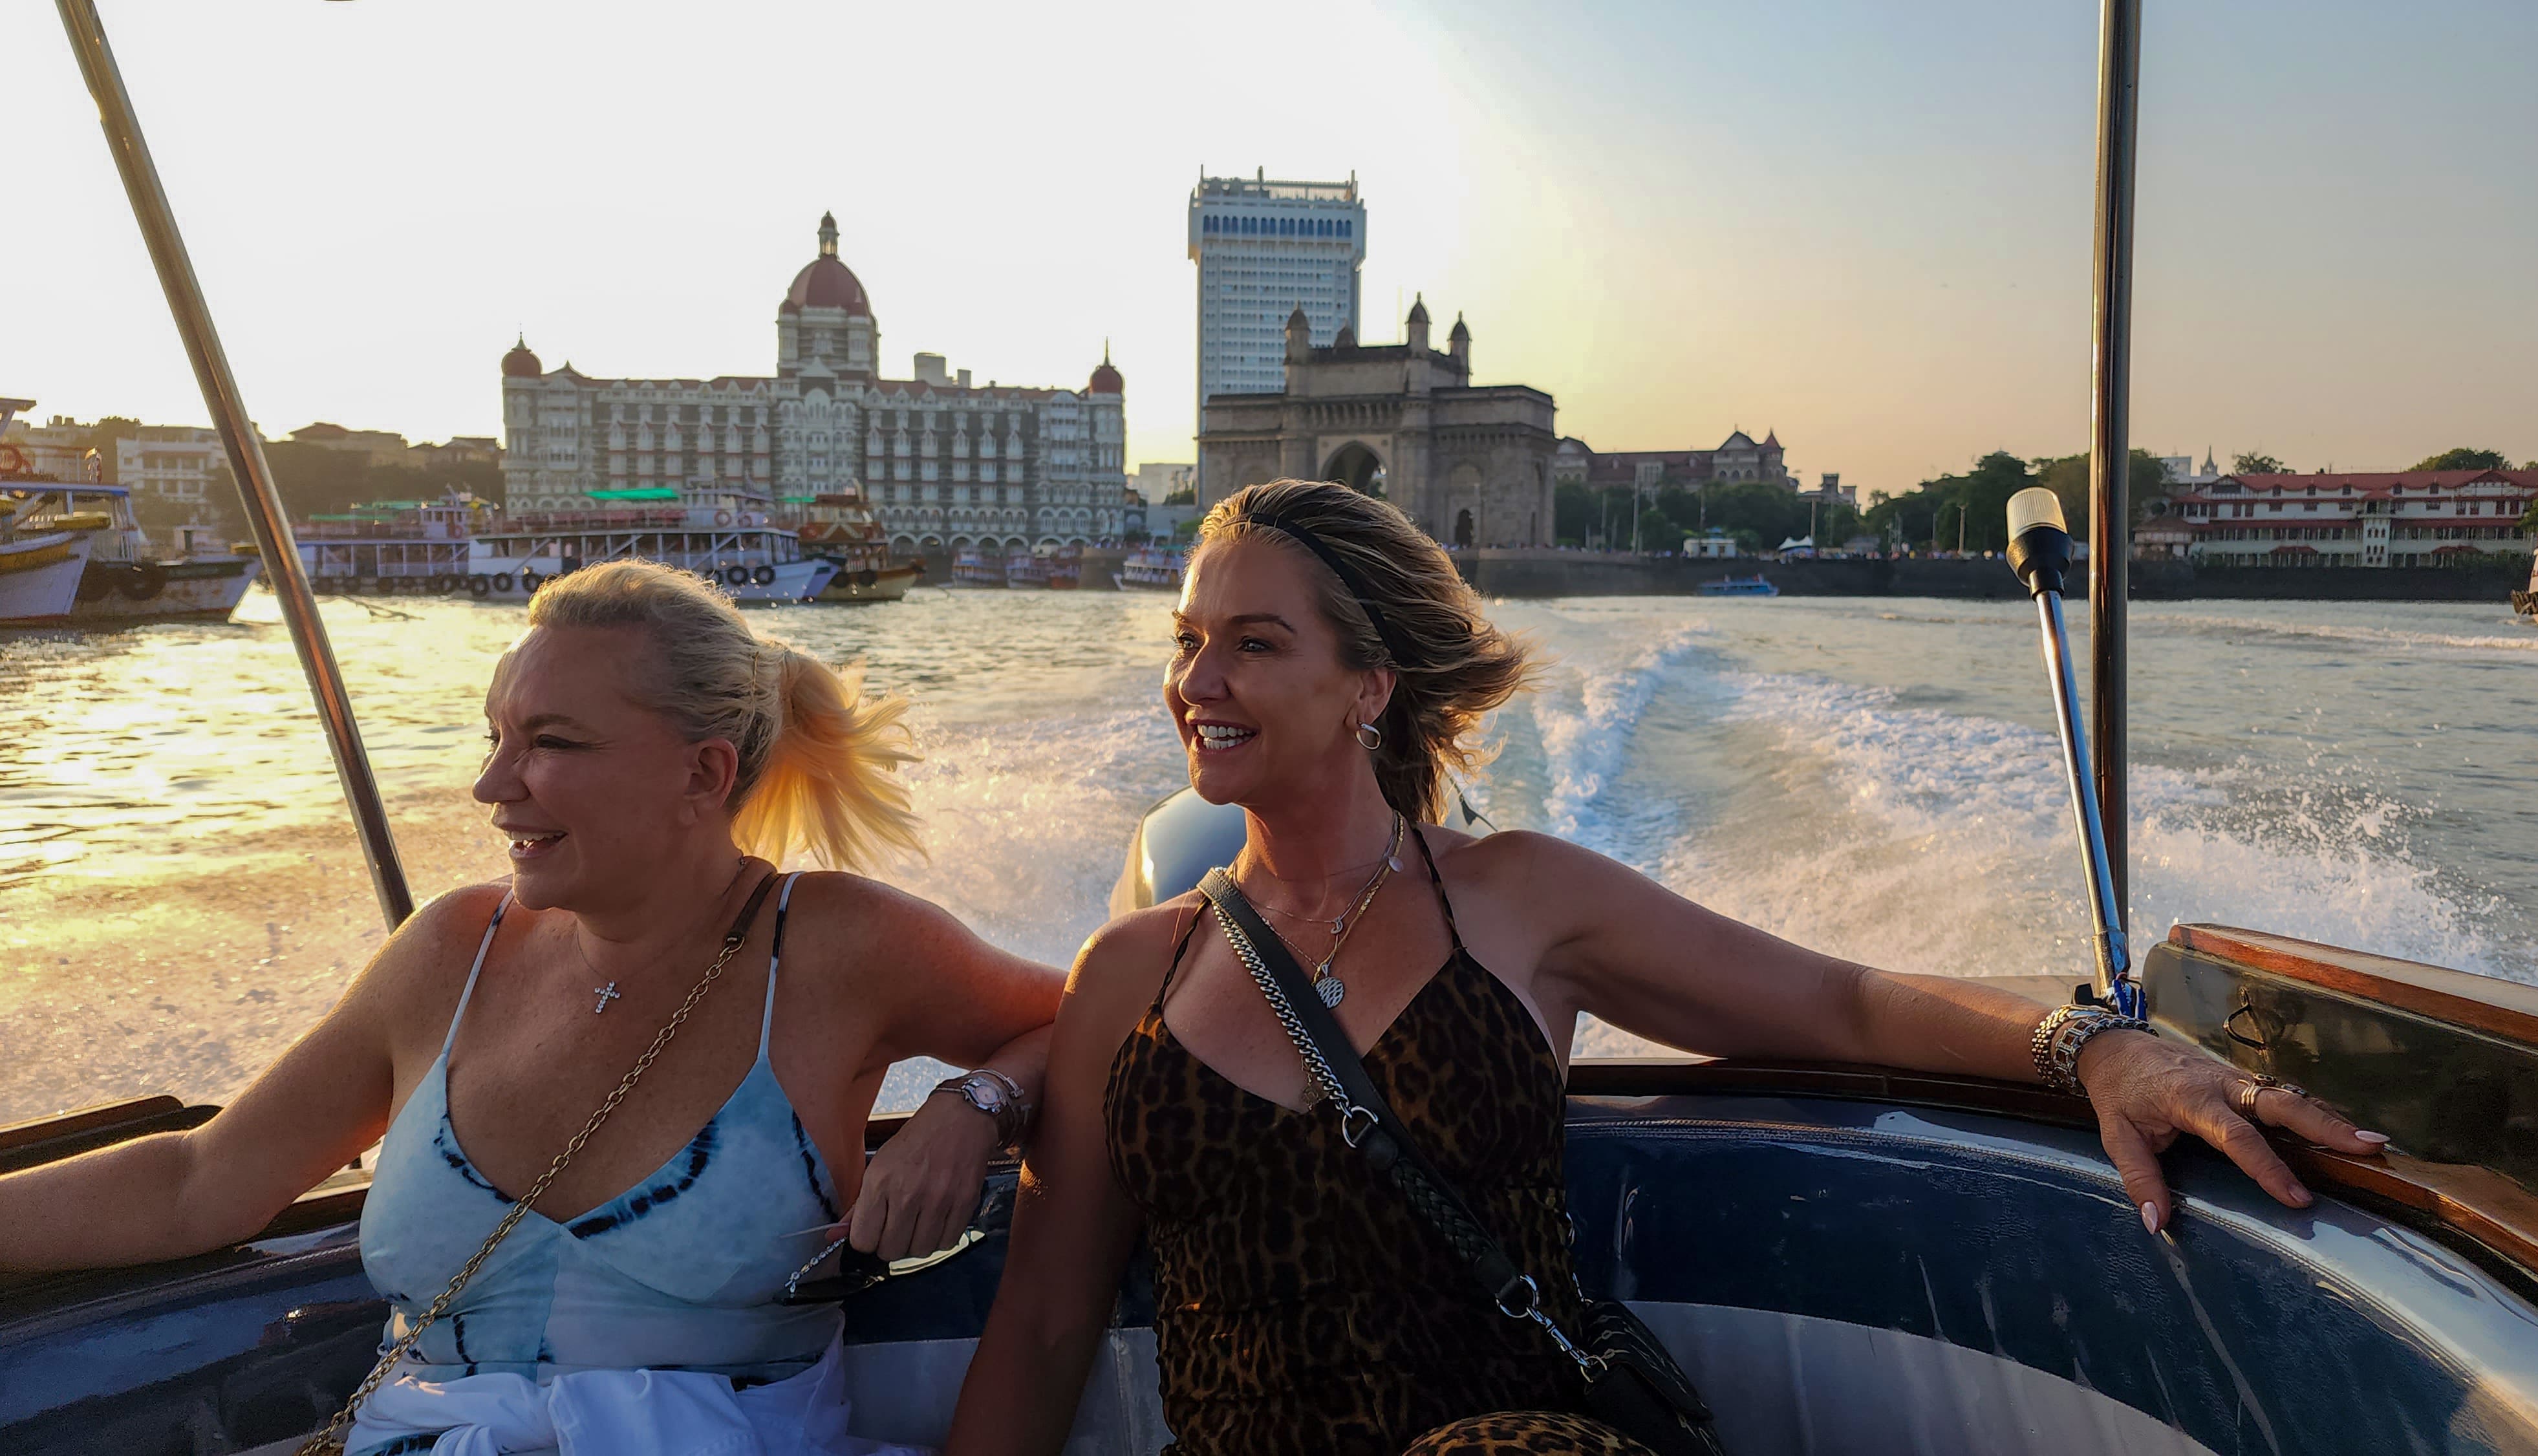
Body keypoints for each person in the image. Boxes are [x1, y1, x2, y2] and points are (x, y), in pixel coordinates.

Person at [945, 479, 2388, 1456]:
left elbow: (1838, 1000)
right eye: (1188, 641)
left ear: (1367, 685)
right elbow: (1047, 1317)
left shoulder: (1518, 901)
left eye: (1252, 645)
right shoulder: (1128, 971)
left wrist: (2091, 1049)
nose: (1197, 682)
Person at [0, 561, 1063, 1455]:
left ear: (704, 773)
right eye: (495, 736)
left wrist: (975, 1101)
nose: (492, 784)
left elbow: (1108, 1019)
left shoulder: (838, 947)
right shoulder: (450, 952)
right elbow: (201, 1182)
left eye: (550, 743)